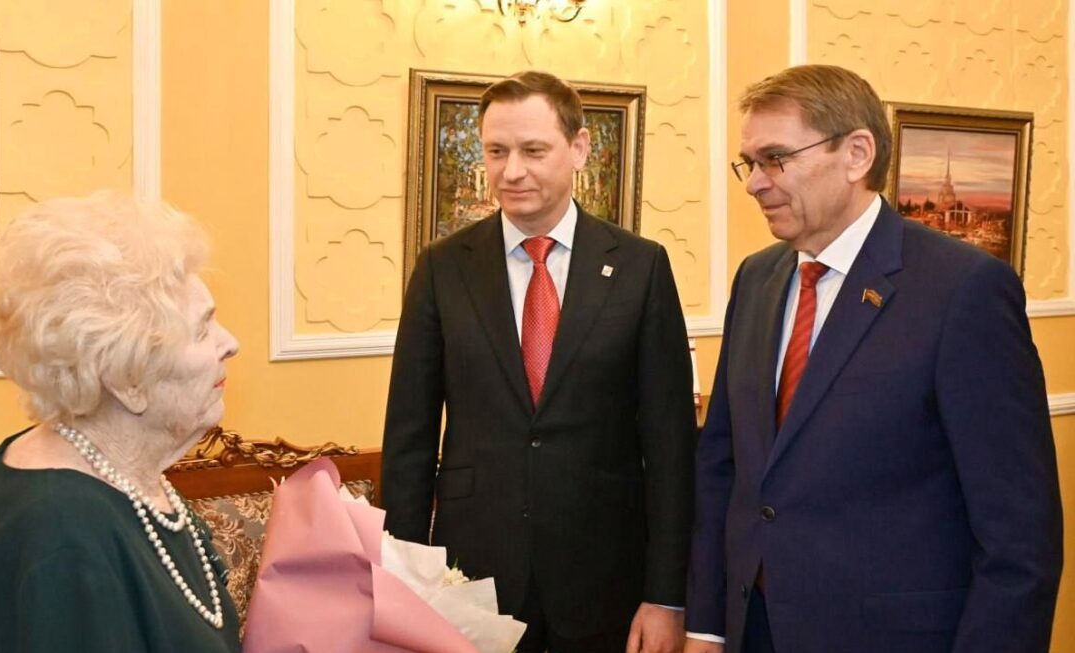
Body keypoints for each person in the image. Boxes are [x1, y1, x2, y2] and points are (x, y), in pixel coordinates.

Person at [684, 64, 1063, 653]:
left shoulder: (962, 289)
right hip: (754, 631)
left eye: (775, 159)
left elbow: (1019, 535)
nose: (755, 183)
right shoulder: (757, 279)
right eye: (749, 163)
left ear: (857, 154)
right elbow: (723, 466)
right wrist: (707, 626)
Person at [382, 70, 697, 653]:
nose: (512, 171)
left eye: (533, 151)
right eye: (496, 151)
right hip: (472, 579)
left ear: (579, 149)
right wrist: (405, 581)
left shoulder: (640, 267)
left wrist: (667, 595)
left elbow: (671, 447)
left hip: (605, 579)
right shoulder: (443, 268)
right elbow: (409, 441)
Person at [0, 192, 242, 652]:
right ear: (126, 378)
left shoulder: (126, 481)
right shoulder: (59, 543)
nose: (230, 343)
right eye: (202, 329)